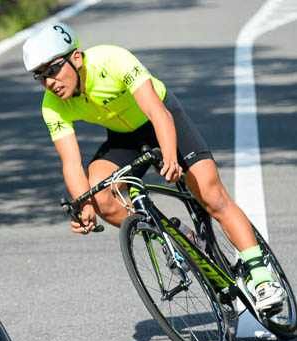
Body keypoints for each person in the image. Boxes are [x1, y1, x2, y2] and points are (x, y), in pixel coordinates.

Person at [21, 23, 286, 313]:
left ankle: (262, 279)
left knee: (210, 194)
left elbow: (156, 112)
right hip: (124, 138)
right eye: (40, 76)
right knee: (100, 198)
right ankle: (176, 238)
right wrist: (83, 205)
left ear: (76, 58)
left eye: (52, 70)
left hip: (162, 116)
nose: (49, 81)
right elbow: (71, 162)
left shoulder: (112, 59)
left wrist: (170, 157)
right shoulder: (52, 105)